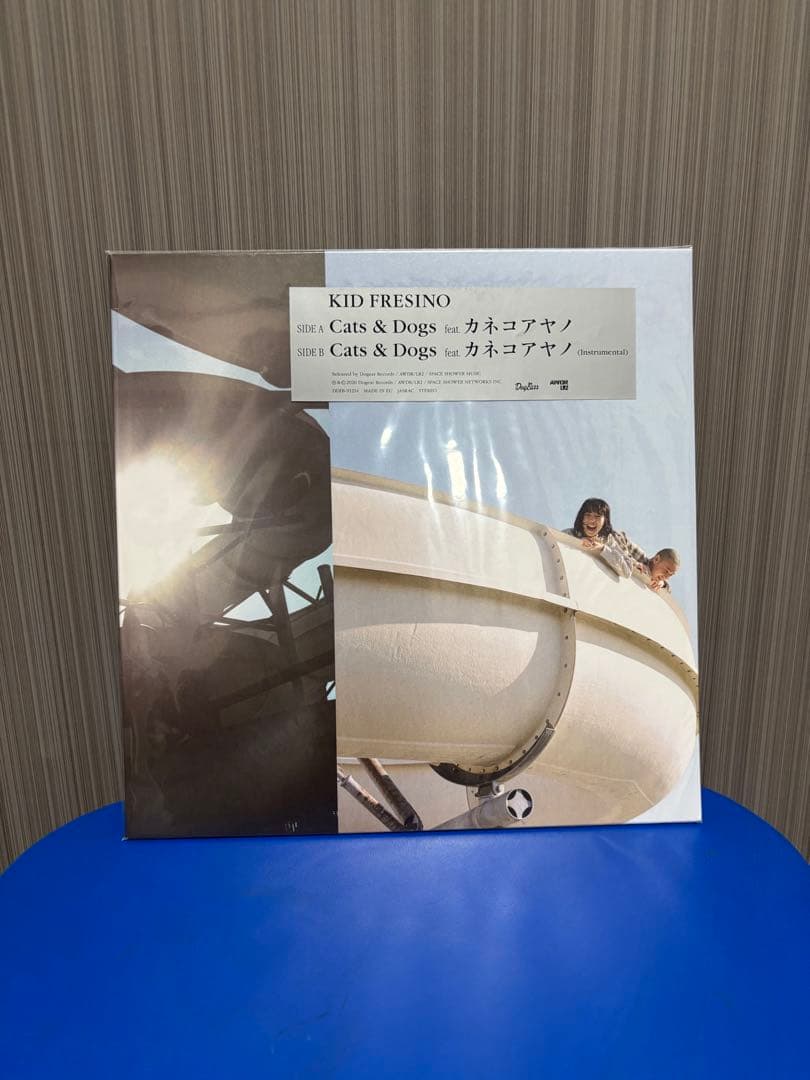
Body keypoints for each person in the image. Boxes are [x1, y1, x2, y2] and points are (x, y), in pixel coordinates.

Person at [564, 498, 633, 578]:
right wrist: (577, 542)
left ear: (605, 521)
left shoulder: (608, 541)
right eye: (588, 515)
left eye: (597, 516)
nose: (592, 520)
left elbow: (627, 572)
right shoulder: (568, 534)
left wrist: (603, 549)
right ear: (581, 517)